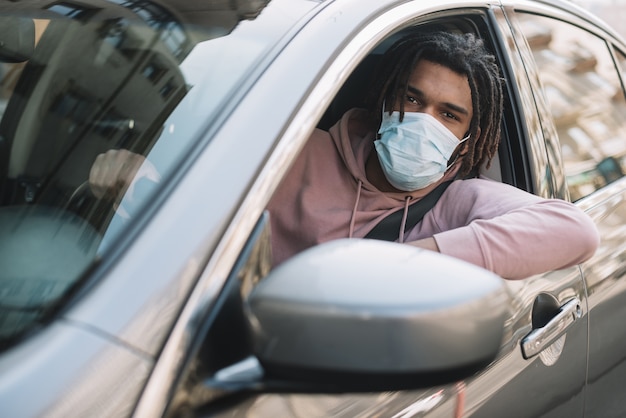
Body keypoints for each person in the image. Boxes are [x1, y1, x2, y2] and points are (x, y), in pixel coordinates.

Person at [89, 31, 599, 280]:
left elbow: (575, 230)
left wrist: (391, 263)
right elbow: (193, 196)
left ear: (470, 137)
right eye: (413, 99)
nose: (424, 120)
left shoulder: (459, 203)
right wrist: (139, 175)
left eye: (449, 115)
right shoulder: (291, 151)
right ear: (385, 99)